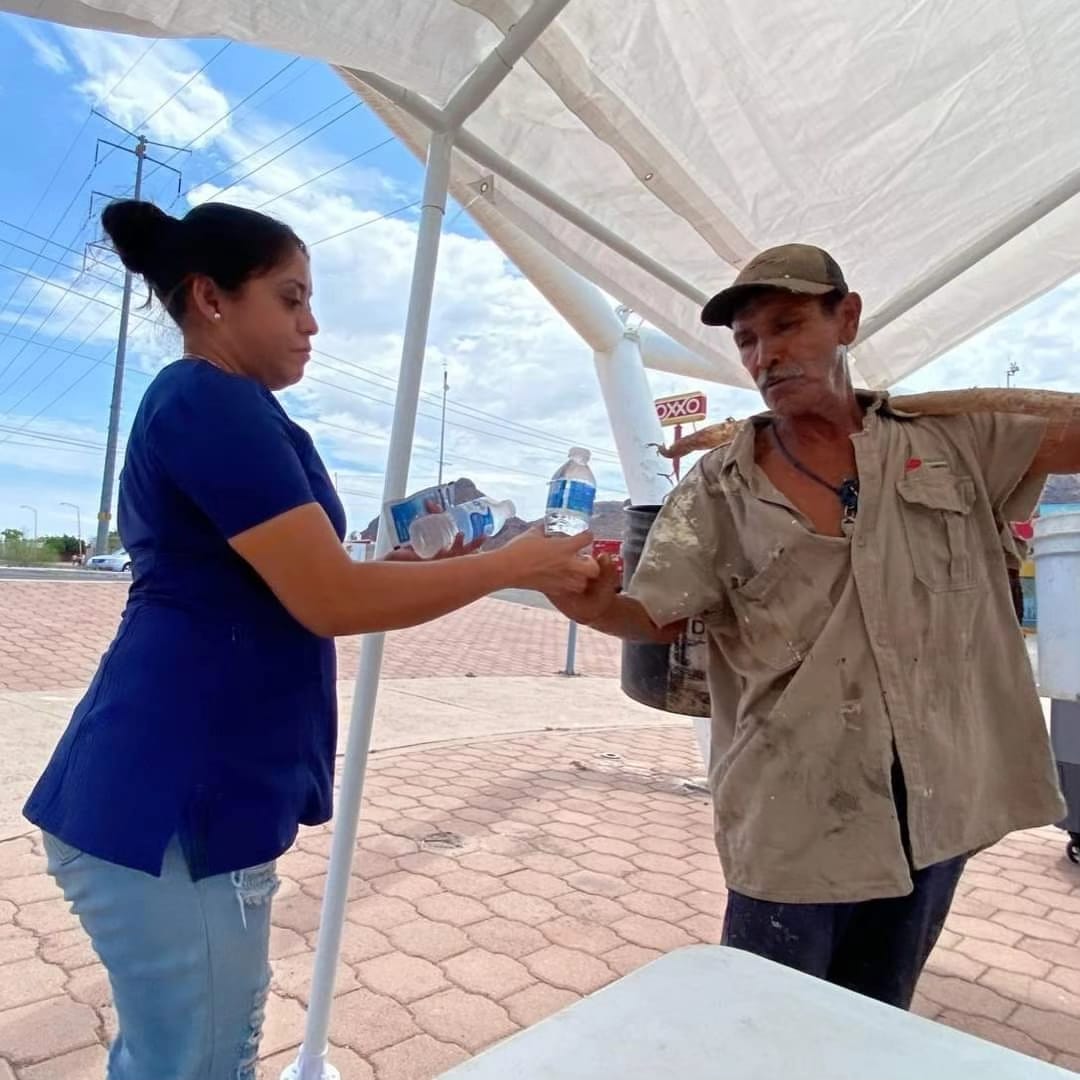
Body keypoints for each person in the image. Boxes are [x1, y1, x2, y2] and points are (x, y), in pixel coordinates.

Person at [24, 199, 598, 1079]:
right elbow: (330, 598)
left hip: (170, 789)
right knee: (201, 1065)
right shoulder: (210, 400)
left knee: (176, 1057)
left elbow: (312, 575)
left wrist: (415, 559)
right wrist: (511, 566)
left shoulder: (224, 404)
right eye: (290, 298)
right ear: (212, 298)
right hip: (171, 801)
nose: (312, 322)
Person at [550, 243, 1079, 1009]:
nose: (766, 354)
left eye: (788, 325)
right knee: (769, 1022)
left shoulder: (952, 443)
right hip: (791, 804)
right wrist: (596, 606)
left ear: (848, 318)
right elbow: (658, 613)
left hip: (934, 797)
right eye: (748, 340)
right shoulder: (719, 487)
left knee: (875, 1013)